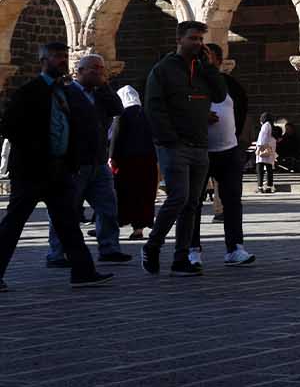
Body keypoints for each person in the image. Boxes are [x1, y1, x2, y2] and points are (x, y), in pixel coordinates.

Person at [0, 42, 114, 291]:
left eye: (65, 56)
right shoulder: (30, 91)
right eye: (56, 57)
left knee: (68, 222)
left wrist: (70, 160)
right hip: (32, 170)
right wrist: (35, 150)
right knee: (14, 223)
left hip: (59, 168)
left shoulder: (66, 92)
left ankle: (83, 272)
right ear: (43, 61)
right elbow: (8, 126)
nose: (62, 60)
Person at [143, 20, 228, 276]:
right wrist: (169, 138)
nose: (198, 44)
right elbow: (154, 108)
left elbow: (220, 95)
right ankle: (153, 245)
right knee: (178, 197)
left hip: (199, 144)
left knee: (192, 203)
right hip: (174, 145)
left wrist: (210, 67)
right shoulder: (163, 70)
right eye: (193, 39)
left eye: (201, 39)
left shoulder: (202, 69)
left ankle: (181, 259)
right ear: (179, 40)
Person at [44, 52, 130, 267]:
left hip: (98, 162)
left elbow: (118, 109)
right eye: (94, 68)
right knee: (66, 209)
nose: (99, 72)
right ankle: (57, 253)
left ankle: (109, 248)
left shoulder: (101, 94)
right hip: (74, 163)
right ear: (79, 71)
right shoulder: (67, 93)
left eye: (101, 69)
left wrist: (105, 86)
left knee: (108, 208)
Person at [188, 44, 255, 267]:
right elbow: (180, 109)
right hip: (199, 149)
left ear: (218, 60)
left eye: (208, 57)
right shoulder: (190, 82)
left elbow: (243, 110)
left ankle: (235, 248)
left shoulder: (230, 84)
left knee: (232, 200)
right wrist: (199, 117)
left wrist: (240, 143)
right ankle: (193, 248)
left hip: (228, 150)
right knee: (194, 201)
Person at [111, 84, 158, 241]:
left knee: (123, 192)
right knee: (143, 194)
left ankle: (110, 225)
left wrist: (112, 157)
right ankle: (138, 228)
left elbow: (116, 137)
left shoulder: (121, 115)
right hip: (148, 161)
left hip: (127, 162)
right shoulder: (148, 114)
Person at [254, 112, 277, 193]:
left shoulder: (265, 125)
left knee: (260, 168)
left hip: (263, 149)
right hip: (270, 149)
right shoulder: (271, 125)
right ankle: (269, 186)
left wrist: (258, 148)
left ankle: (260, 186)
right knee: (269, 168)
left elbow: (262, 137)